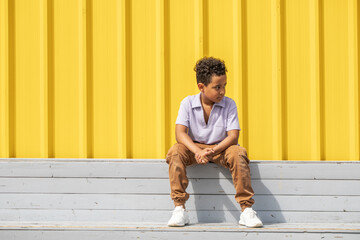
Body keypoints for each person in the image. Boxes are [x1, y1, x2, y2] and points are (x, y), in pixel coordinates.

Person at [166, 57, 263, 228]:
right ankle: (179, 209)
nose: (222, 91)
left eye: (224, 85)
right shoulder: (187, 103)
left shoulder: (229, 104)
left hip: (220, 148)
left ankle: (246, 210)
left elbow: (233, 136)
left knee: (238, 152)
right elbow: (180, 133)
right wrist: (197, 151)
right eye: (217, 87)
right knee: (175, 151)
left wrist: (212, 150)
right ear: (201, 87)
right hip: (194, 148)